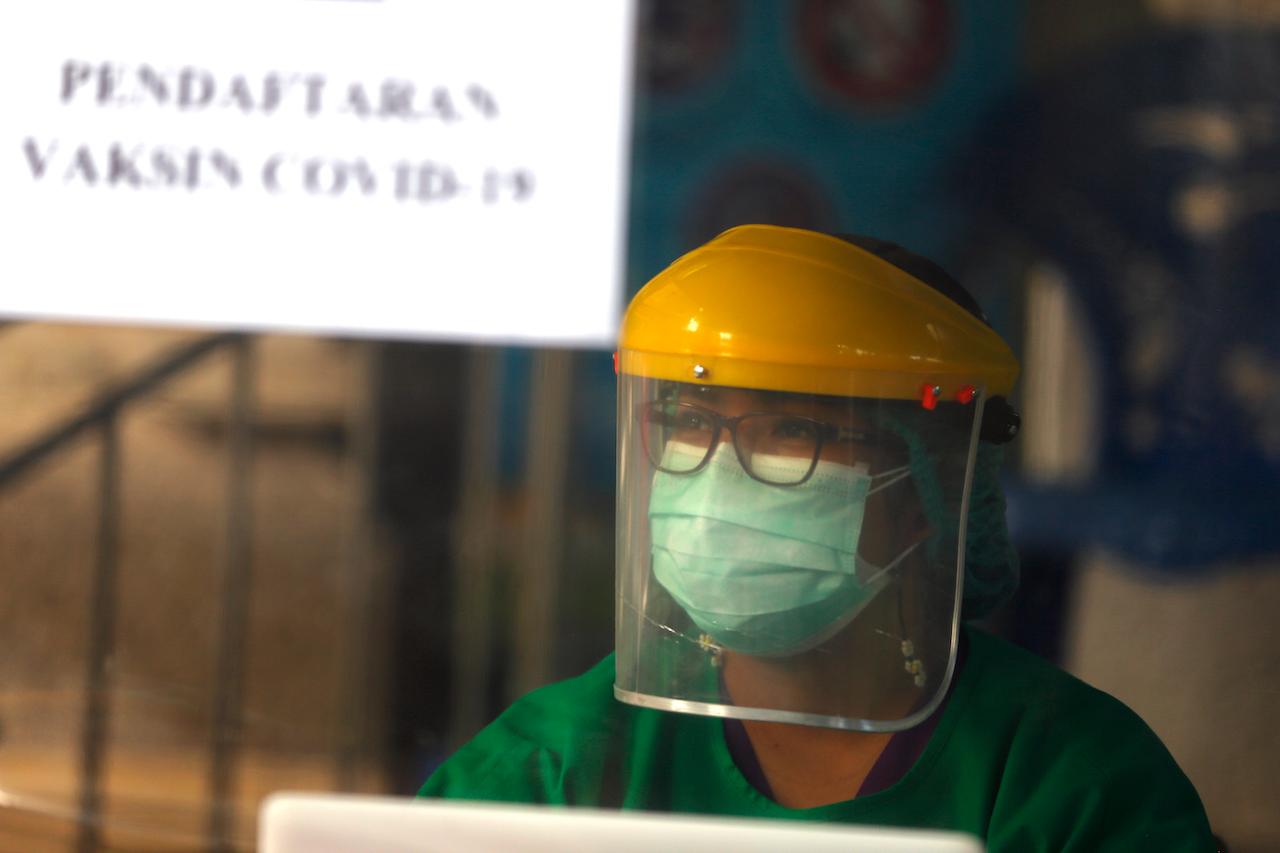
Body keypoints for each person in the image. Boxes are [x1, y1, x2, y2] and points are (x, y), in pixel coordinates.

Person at [420, 225, 1215, 851]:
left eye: (794, 431)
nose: (718, 476)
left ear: (930, 488)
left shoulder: (1067, 783)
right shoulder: (551, 767)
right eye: (689, 421)